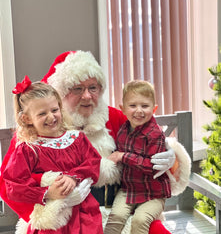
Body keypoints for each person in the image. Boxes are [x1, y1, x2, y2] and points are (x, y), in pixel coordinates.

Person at [0, 50, 191, 234]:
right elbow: (9, 182)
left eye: (93, 88)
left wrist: (170, 154)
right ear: (61, 92)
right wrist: (52, 192)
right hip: (63, 218)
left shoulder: (113, 116)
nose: (87, 96)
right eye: (78, 89)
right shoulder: (32, 136)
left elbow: (151, 137)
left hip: (122, 211)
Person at [2, 76, 103, 234]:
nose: (51, 117)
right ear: (27, 119)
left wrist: (73, 176)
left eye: (54, 110)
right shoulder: (28, 148)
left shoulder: (76, 138)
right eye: (42, 114)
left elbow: (93, 162)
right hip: (53, 221)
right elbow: (13, 185)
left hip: (85, 213)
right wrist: (47, 193)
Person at [104, 80, 171, 234]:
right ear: (123, 109)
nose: (139, 111)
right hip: (128, 189)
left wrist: (123, 156)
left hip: (153, 194)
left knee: (140, 220)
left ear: (154, 109)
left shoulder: (155, 134)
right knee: (115, 218)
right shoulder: (123, 130)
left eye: (145, 106)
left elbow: (152, 167)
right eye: (133, 106)